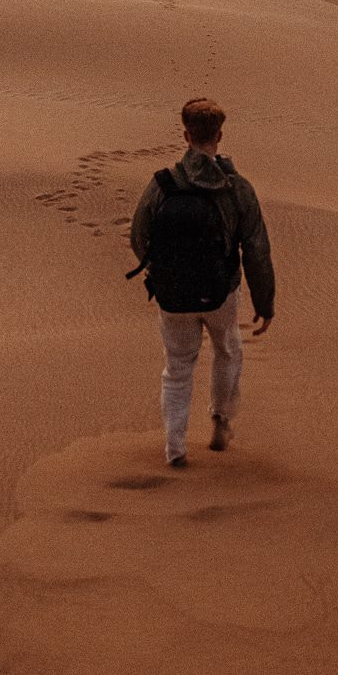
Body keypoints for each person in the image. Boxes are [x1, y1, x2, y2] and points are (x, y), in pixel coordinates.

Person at [127, 97, 275, 468]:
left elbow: (138, 237)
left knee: (177, 369)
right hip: (221, 294)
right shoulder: (238, 189)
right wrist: (264, 303)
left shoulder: (162, 184)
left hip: (172, 297)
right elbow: (256, 250)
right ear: (219, 136)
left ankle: (174, 449)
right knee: (227, 351)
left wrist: (162, 271)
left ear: (185, 134)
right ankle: (221, 420)